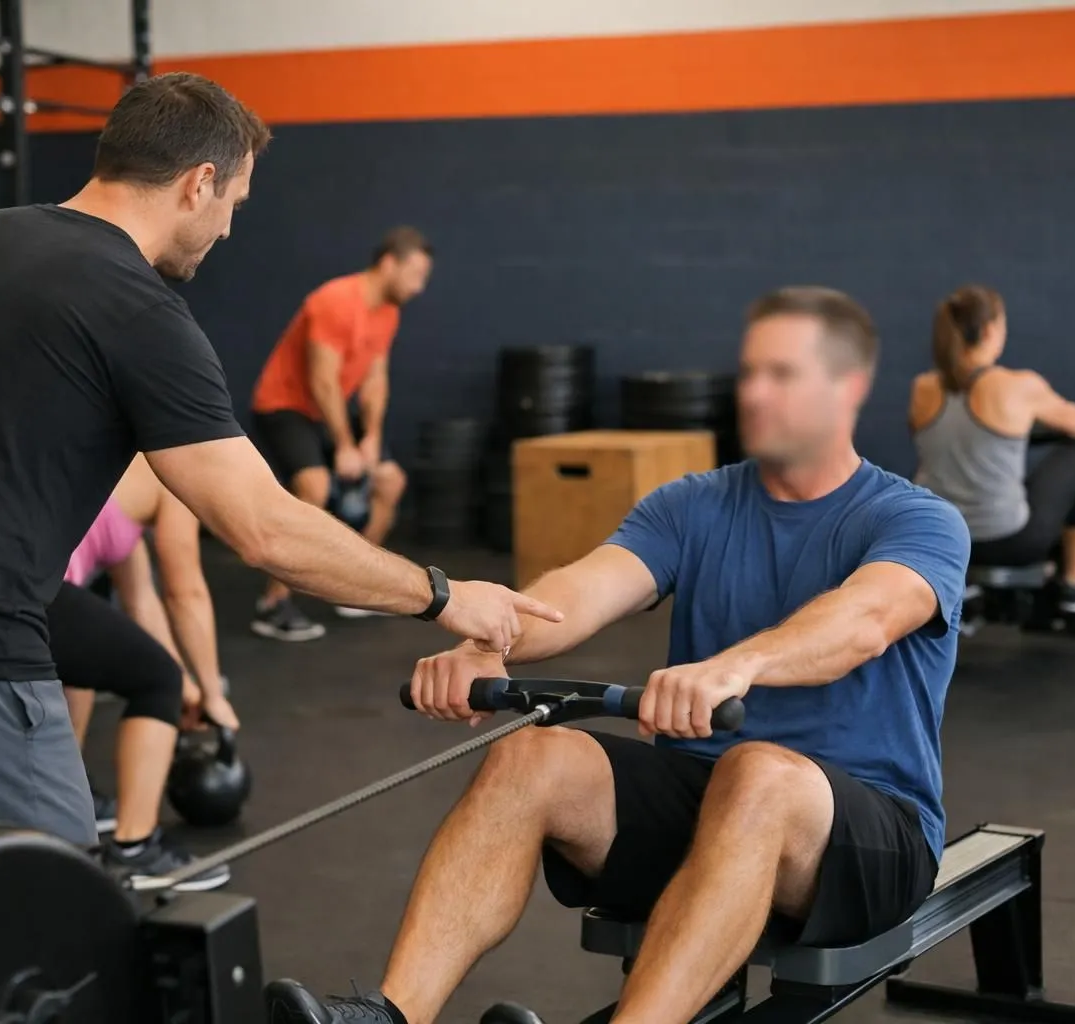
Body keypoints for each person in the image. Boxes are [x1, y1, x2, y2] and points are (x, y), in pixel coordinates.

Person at [0, 72, 559, 877]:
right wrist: (445, 595)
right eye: (234, 203)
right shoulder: (137, 309)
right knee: (34, 932)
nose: (229, 229)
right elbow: (263, 529)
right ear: (199, 182)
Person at [266, 286, 971, 1024]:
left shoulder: (915, 519)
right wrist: (489, 642)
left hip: (867, 840)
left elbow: (864, 619)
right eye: (750, 372)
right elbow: (579, 593)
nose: (754, 393)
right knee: (530, 757)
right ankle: (393, 1015)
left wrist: (739, 666)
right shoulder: (694, 504)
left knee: (757, 774)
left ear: (847, 388)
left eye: (782, 374)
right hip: (706, 802)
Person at [51, 454, 238, 890]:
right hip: (30, 590)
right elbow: (185, 590)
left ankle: (74, 808)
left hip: (32, 586)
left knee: (93, 673)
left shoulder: (123, 483)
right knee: (155, 681)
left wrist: (187, 683)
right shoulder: (178, 473)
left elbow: (142, 602)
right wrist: (212, 692)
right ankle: (134, 849)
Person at [246, 227, 434, 641]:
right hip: (285, 406)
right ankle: (273, 604)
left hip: (327, 410)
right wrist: (346, 445)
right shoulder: (334, 300)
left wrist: (370, 437)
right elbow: (323, 381)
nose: (419, 288)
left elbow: (375, 379)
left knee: (390, 481)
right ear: (389, 263)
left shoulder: (388, 311)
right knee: (314, 487)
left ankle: (354, 588)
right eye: (416, 275)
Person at [910, 285, 1075, 614]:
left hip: (942, 539)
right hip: (1009, 543)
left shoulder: (923, 388)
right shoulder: (1017, 386)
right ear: (989, 330)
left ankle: (958, 588)